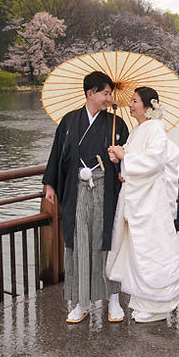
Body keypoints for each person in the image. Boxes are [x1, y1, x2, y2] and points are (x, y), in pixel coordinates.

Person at [43, 71, 129, 323]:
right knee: (78, 242)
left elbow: (128, 160)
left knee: (107, 242)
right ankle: (81, 301)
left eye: (110, 93)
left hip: (106, 191)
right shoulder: (69, 122)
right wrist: (50, 184)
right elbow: (57, 153)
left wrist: (118, 159)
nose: (109, 98)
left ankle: (113, 299)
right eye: (105, 93)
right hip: (76, 189)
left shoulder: (116, 124)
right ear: (90, 93)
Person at [106, 86, 179, 323]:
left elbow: (154, 161)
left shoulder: (155, 129)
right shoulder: (139, 130)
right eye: (130, 101)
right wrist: (120, 158)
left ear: (148, 107)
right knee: (139, 250)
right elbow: (134, 161)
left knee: (152, 248)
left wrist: (125, 158)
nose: (130, 105)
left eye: (134, 101)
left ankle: (159, 303)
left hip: (151, 202)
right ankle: (144, 300)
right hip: (138, 199)